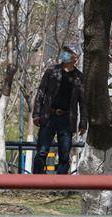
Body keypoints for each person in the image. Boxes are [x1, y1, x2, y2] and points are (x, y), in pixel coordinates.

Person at [31, 45, 86, 174]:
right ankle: (37, 182)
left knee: (64, 155)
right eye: (64, 51)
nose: (64, 54)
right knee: (42, 152)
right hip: (48, 116)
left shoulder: (79, 77)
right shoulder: (51, 71)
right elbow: (41, 93)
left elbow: (83, 102)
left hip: (67, 119)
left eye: (68, 52)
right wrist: (36, 114)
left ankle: (60, 185)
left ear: (75, 57)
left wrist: (83, 122)